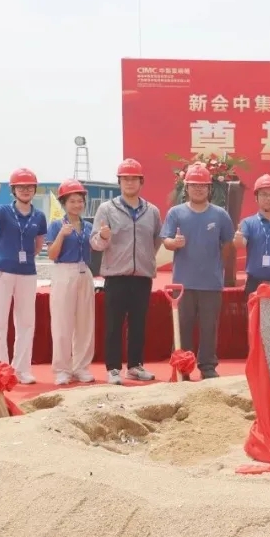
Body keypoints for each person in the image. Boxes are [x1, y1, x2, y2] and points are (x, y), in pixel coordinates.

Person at [90, 158, 163, 386]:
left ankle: (135, 366)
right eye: (125, 179)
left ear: (141, 182)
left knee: (139, 323)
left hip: (142, 276)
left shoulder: (152, 211)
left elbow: (156, 240)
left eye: (134, 179)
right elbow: (95, 243)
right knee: (113, 324)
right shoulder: (106, 209)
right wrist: (103, 237)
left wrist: (144, 259)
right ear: (119, 182)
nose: (129, 183)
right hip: (116, 276)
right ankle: (113, 368)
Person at [161, 162, 235, 380]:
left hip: (211, 282)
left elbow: (228, 244)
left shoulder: (220, 215)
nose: (199, 189)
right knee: (183, 327)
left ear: (210, 188)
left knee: (209, 327)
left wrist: (217, 267)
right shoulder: (176, 213)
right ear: (186, 188)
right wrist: (174, 243)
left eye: (203, 185)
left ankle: (208, 366)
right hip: (183, 283)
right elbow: (166, 241)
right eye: (194, 185)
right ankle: (182, 367)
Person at [0, 168, 48, 385]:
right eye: (20, 187)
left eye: (29, 187)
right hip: (1, 271)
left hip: (27, 273)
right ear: (13, 190)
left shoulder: (39, 216)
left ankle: (22, 370)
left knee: (26, 323)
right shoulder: (4, 210)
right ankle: (0, 370)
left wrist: (24, 258)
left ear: (34, 189)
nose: (25, 190)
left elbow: (38, 244)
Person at [46, 180, 96, 386]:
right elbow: (51, 254)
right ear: (64, 203)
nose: (77, 205)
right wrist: (61, 235)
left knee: (85, 323)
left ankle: (81, 367)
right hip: (64, 272)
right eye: (72, 201)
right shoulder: (56, 225)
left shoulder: (89, 226)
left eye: (80, 200)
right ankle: (62, 369)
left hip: (85, 273)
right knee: (62, 322)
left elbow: (97, 246)